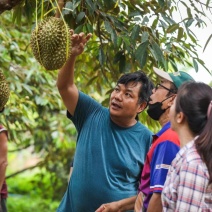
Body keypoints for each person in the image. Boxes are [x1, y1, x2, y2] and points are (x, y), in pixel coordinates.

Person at [56, 31, 154, 212]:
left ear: (141, 106)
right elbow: (65, 86)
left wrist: (118, 206)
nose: (117, 96)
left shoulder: (147, 138)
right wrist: (71, 55)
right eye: (117, 90)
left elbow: (148, 191)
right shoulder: (90, 113)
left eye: (127, 94)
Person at [134, 67, 194, 212]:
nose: (153, 91)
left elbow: (158, 198)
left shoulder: (169, 139)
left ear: (172, 99)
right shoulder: (170, 136)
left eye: (160, 85)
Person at [162, 82, 212, 211]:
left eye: (174, 103)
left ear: (180, 116)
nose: (170, 106)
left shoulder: (192, 164)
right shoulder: (188, 157)